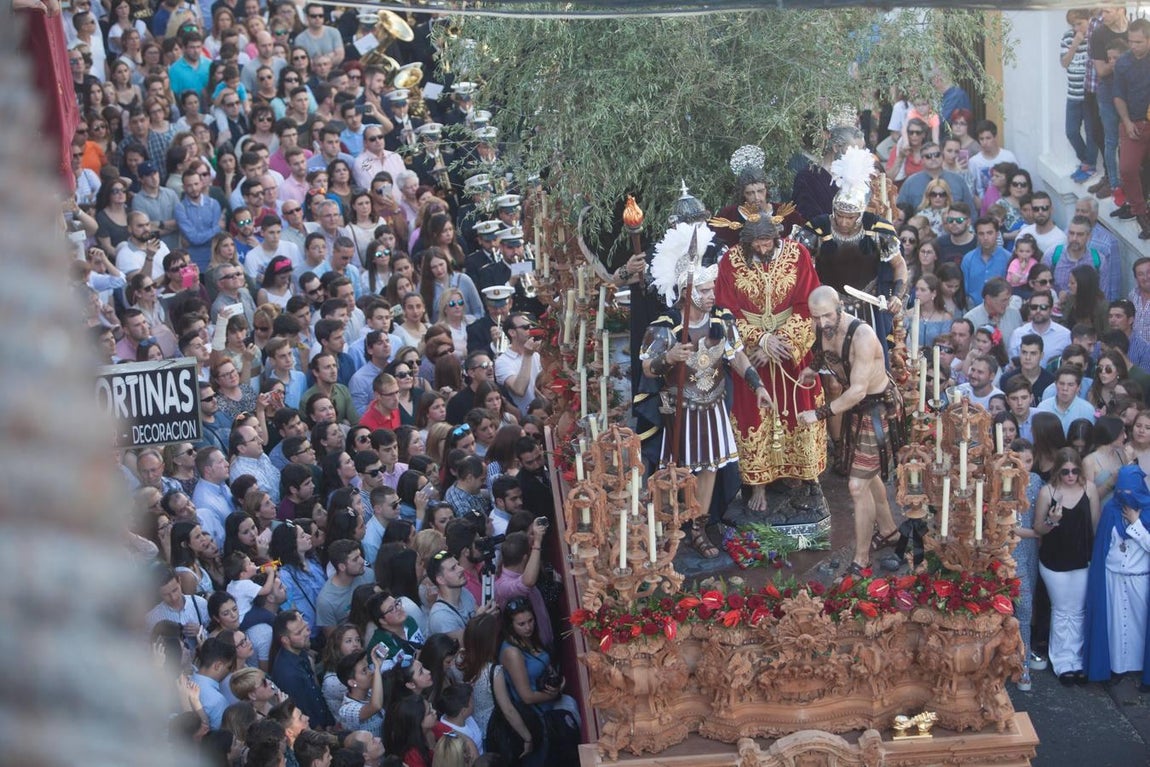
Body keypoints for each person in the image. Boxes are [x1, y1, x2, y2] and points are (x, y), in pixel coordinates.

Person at [637, 221, 771, 557]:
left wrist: (757, 385)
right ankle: (670, 526)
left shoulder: (722, 320)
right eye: (706, 290)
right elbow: (646, 368)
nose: (713, 295)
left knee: (711, 466)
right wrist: (669, 356)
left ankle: (698, 526)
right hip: (677, 409)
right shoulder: (665, 326)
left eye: (713, 289)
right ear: (687, 292)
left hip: (712, 405)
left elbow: (736, 355)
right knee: (674, 468)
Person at [714, 213, 826, 513]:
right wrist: (760, 340)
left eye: (766, 244)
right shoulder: (730, 262)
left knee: (800, 409)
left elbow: (809, 304)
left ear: (776, 238)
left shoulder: (798, 254)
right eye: (757, 245)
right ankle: (758, 484)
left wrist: (782, 342)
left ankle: (807, 478)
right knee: (752, 415)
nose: (762, 250)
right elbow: (726, 310)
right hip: (751, 353)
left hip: (790, 351)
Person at [798, 287, 904, 574]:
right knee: (867, 477)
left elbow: (857, 391)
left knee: (857, 485)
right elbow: (824, 353)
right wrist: (812, 368)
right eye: (816, 318)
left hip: (877, 408)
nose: (821, 323)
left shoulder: (863, 336)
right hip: (856, 408)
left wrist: (818, 414)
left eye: (827, 316)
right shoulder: (823, 327)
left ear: (840, 307)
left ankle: (861, 558)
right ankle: (890, 531)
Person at [1034, 447, 1100, 684]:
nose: (1071, 476)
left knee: (1078, 611)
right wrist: (1053, 520)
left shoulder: (1089, 489)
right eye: (1065, 472)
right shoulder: (1047, 491)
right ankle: (1062, 662)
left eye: (1075, 471)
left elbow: (1094, 525)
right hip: (1054, 560)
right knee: (1062, 611)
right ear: (1057, 472)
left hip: (1082, 558)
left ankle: (1078, 660)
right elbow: (1038, 528)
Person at [1086, 463, 1150, 685]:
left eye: (1130, 491)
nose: (1125, 496)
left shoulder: (1148, 512)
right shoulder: (1112, 510)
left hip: (1139, 578)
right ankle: (1117, 668)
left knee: (1138, 626)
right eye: (1121, 491)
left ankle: (1139, 668)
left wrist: (1136, 524)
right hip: (1112, 577)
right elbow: (1104, 544)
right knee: (1115, 624)